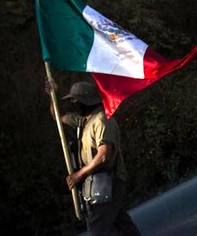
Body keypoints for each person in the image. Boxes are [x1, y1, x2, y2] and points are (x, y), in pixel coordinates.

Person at [45, 80, 141, 236]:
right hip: (99, 183)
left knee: (98, 229)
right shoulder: (85, 120)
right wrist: (52, 95)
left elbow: (104, 156)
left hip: (109, 180)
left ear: (86, 100)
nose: (72, 104)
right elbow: (58, 116)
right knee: (122, 225)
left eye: (74, 100)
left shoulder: (102, 120)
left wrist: (79, 174)